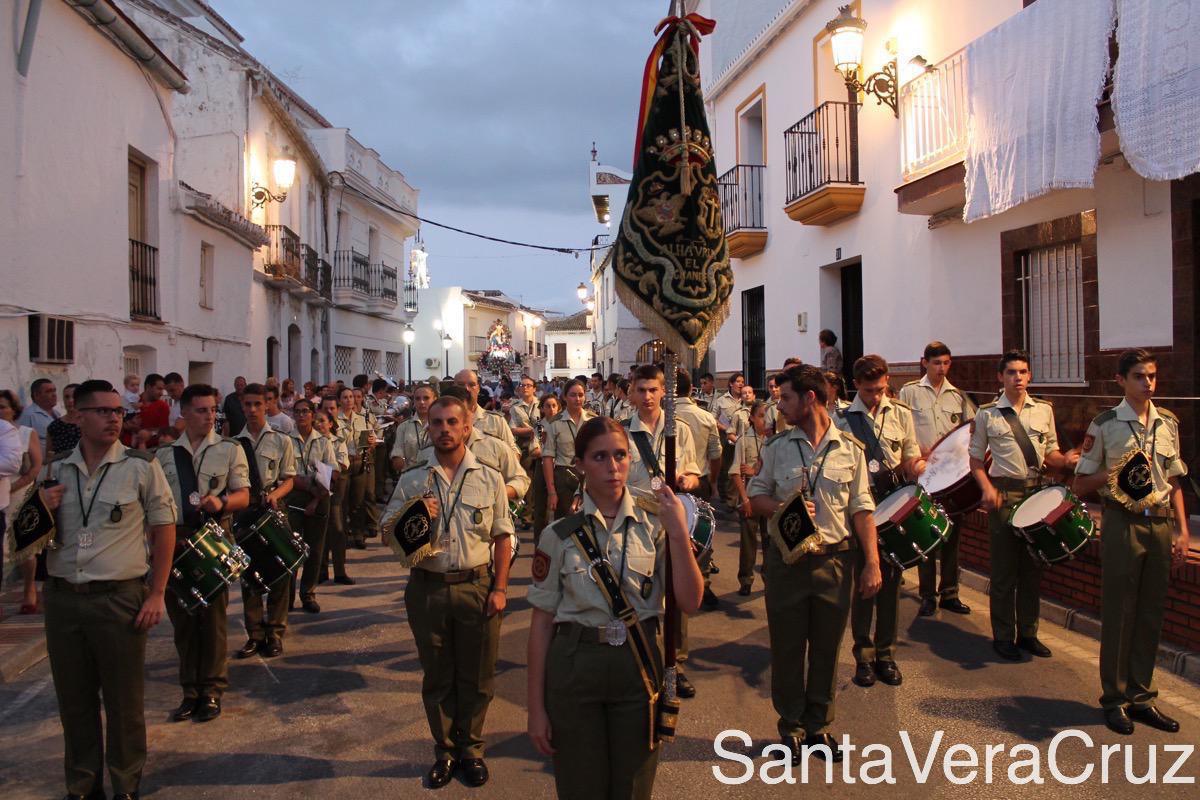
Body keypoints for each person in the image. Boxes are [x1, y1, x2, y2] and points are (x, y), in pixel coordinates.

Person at [526, 417, 703, 800]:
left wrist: (677, 533)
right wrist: (535, 708)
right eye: (600, 456)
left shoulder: (656, 524)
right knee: (579, 786)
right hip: (574, 664)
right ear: (581, 465)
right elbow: (541, 627)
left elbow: (689, 600)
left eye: (620, 455)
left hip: (636, 665)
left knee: (633, 785)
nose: (613, 466)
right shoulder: (557, 535)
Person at [38, 379, 177, 800]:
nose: (114, 418)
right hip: (64, 598)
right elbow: (26, 538)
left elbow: (164, 527)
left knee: (123, 702)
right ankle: (83, 783)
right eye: (102, 411)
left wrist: (157, 593)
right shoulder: (55, 469)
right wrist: (40, 508)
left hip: (119, 597)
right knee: (74, 701)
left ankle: (125, 782)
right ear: (78, 416)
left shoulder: (140, 465)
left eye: (118, 411)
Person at [749, 364, 881, 764]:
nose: (780, 406)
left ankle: (818, 728)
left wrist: (872, 562)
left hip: (835, 561)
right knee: (788, 649)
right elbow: (755, 498)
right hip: (788, 564)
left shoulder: (851, 450)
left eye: (786, 398)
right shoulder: (776, 448)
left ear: (809, 399)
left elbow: (862, 508)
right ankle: (790, 729)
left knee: (827, 650)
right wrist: (785, 508)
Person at [382, 395, 513, 789]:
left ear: (466, 427)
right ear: (429, 428)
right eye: (436, 423)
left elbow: (503, 536)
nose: (444, 429)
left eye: (452, 422)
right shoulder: (413, 479)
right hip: (428, 588)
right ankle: (445, 750)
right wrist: (416, 515)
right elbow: (387, 532)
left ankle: (471, 748)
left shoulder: (489, 478)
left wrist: (501, 588)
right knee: (437, 674)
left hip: (476, 585)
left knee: (477, 674)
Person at [1073, 349, 1190, 735]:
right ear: (1121, 380)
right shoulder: (1105, 425)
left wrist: (1182, 530)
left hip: (1158, 525)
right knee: (1120, 614)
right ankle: (1114, 698)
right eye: (1139, 376)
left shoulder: (1168, 423)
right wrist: (1115, 473)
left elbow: (1173, 482)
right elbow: (1080, 484)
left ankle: (1142, 697)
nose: (1148, 383)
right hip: (1122, 524)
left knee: (1150, 613)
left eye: (1152, 376)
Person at [969, 349, 1078, 662]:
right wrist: (987, 489)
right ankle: (1003, 636)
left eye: (1023, 372)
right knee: (1004, 572)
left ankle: (1028, 633)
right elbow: (976, 460)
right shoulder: (988, 414)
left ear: (1030, 375)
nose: (1018, 377)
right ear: (1001, 377)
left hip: (1036, 494)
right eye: (1012, 372)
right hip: (1004, 496)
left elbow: (1051, 455)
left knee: (1032, 569)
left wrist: (1066, 461)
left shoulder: (1043, 410)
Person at [156, 384, 250, 722]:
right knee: (182, 621)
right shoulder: (164, 455)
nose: (210, 416)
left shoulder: (229, 449)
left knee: (212, 620)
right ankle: (189, 691)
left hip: (212, 537)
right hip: (176, 540)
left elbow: (243, 496)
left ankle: (211, 689)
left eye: (213, 410)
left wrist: (221, 502)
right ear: (184, 412)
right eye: (201, 410)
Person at [833, 354, 923, 690]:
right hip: (860, 507)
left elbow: (911, 452)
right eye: (870, 390)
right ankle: (863, 655)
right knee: (864, 583)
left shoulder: (900, 414)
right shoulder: (841, 419)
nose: (876, 396)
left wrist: (916, 465)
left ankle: (887, 653)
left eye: (882, 389)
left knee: (890, 583)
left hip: (893, 505)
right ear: (856, 385)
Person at [623, 365, 702, 696]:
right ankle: (640, 656)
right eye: (641, 390)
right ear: (631, 393)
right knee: (637, 590)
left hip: (672, 522)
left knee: (676, 590)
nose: (647, 396)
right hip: (636, 523)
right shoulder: (622, 434)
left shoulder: (679, 431)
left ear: (663, 394)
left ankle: (676, 661)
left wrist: (688, 480)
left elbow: (696, 474)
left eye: (653, 390)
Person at [898, 341, 976, 617]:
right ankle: (928, 594)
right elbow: (901, 430)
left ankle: (950, 593)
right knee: (927, 533)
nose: (941, 368)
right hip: (924, 475)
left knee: (953, 537)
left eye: (945, 363)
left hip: (953, 476)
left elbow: (971, 432)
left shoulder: (958, 396)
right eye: (936, 363)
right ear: (924, 363)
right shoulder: (909, 393)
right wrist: (917, 453)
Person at [234, 384, 297, 658]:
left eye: (257, 404)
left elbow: (290, 478)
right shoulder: (235, 444)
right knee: (249, 574)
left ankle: (275, 631)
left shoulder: (281, 440)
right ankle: (254, 633)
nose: (252, 410)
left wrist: (275, 494)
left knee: (280, 571)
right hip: (246, 512)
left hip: (274, 509)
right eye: (247, 404)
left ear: (267, 405)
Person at [287, 398, 337, 615]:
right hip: (293, 497)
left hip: (320, 496)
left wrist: (316, 499)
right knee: (290, 548)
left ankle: (308, 593)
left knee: (315, 549)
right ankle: (286, 596)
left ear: (312, 413)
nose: (301, 416)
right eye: (297, 412)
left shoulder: (324, 442)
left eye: (305, 411)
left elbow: (332, 473)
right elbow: (285, 473)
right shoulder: (286, 440)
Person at [1, 390, 44, 614]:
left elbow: (35, 466)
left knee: (24, 544)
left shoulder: (25, 433)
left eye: (3, 407)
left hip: (21, 491)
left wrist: (13, 487)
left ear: (13, 409)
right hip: (1, 494)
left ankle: (29, 588)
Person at [543, 380, 597, 522]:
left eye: (581, 395)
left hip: (591, 477)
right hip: (564, 478)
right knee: (563, 524)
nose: (577, 399)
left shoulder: (593, 421)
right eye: (573, 395)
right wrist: (551, 492)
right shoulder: (554, 422)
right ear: (565, 397)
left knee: (590, 523)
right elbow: (547, 458)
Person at [731, 400, 768, 596]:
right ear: (752, 418)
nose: (765, 420)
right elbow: (736, 472)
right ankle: (746, 579)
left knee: (770, 543)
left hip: (769, 500)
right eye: (761, 416)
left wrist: (755, 471)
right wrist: (744, 499)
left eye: (767, 416)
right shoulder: (743, 440)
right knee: (748, 543)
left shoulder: (774, 441)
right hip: (750, 498)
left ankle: (769, 577)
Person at [673, 370, 722, 506]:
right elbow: (715, 455)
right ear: (690, 389)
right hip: (699, 482)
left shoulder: (661, 417)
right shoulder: (706, 417)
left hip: (672, 483)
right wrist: (713, 481)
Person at [319, 395, 354, 585]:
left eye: (323, 421)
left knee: (338, 529)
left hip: (335, 490)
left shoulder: (337, 441)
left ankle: (340, 571)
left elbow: (341, 465)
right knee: (319, 532)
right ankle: (321, 570)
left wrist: (322, 470)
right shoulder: (312, 442)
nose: (320, 424)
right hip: (315, 492)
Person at [338, 386, 376, 550]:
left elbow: (370, 437)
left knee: (358, 501)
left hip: (359, 461)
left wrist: (371, 442)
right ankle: (343, 534)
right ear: (340, 400)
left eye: (351, 397)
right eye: (345, 397)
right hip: (343, 464)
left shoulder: (361, 419)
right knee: (343, 501)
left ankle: (358, 534)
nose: (349, 400)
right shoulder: (335, 420)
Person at [454, 369, 521, 457]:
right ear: (453, 387)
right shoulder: (441, 422)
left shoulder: (496, 421)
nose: (466, 389)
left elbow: (514, 452)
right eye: (461, 385)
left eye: (471, 385)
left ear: (478, 388)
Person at [711, 373, 746, 506]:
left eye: (742, 381)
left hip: (742, 439)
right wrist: (725, 428)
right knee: (725, 469)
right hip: (726, 439)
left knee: (739, 469)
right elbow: (713, 418)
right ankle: (724, 498)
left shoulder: (745, 399)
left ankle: (735, 501)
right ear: (731, 384)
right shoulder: (721, 400)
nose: (740, 384)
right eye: (738, 381)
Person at [530, 393, 561, 537]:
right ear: (542, 409)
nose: (551, 409)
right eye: (547, 406)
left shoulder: (562, 425)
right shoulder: (539, 426)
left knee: (560, 507)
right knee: (540, 507)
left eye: (554, 406)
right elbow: (534, 450)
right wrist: (549, 452)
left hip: (560, 468)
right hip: (542, 467)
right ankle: (539, 542)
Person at [391, 384, 434, 472]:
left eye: (426, 398)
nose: (422, 402)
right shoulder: (403, 427)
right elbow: (397, 452)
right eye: (417, 399)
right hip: (410, 477)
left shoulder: (442, 425)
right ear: (413, 401)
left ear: (435, 400)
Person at [18, 377, 60, 449]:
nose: (54, 394)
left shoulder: (57, 414)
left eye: (54, 391)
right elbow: (22, 442)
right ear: (37, 395)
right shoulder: (29, 415)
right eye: (49, 391)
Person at [47, 383, 84, 459]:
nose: (70, 400)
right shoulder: (54, 426)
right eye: (67, 397)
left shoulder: (90, 423)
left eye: (74, 396)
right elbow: (49, 456)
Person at [138, 375, 170, 447]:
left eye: (162, 390)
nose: (161, 393)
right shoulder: (132, 402)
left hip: (151, 450)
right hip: (127, 448)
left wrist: (150, 433)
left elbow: (164, 430)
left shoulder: (163, 406)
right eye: (159, 389)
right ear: (148, 387)